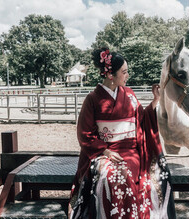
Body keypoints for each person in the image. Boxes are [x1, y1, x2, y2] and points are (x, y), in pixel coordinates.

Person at [69, 48, 175, 219]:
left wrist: (155, 101)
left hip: (131, 151)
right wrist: (105, 151)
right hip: (103, 151)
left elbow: (142, 120)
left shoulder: (130, 95)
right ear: (111, 75)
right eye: (124, 72)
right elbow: (85, 133)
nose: (127, 76)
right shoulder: (93, 99)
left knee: (131, 174)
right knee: (109, 176)